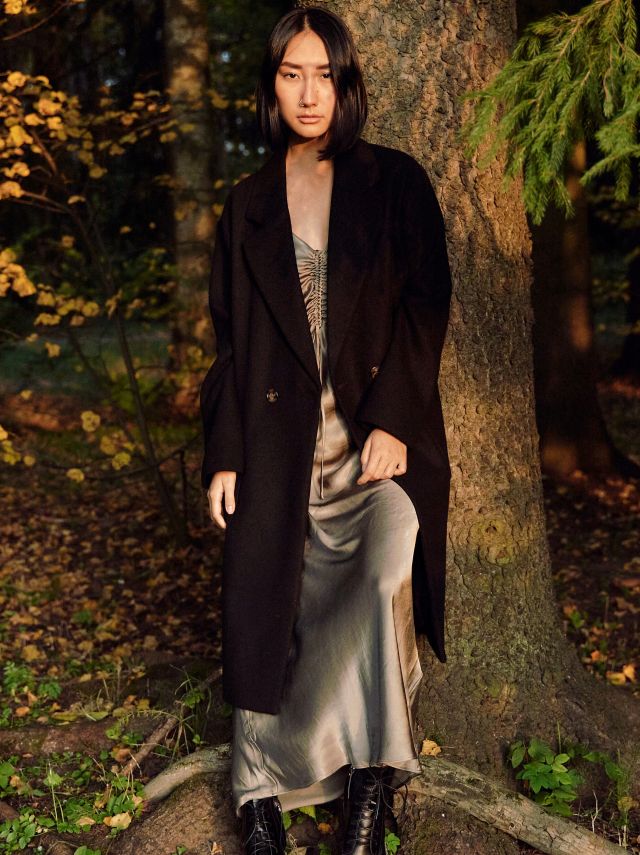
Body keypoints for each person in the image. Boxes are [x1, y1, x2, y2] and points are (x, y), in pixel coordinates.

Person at [199, 6, 453, 855]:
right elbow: (229, 346)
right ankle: (257, 798)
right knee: (261, 603)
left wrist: (395, 421)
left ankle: (371, 788)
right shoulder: (246, 205)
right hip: (278, 461)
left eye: (325, 76)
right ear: (271, 87)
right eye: (291, 75)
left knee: (381, 582)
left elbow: (426, 306)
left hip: (374, 457)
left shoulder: (397, 183)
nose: (309, 95)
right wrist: (225, 456)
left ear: (348, 85)